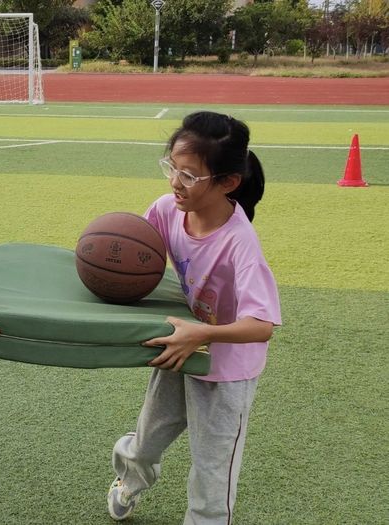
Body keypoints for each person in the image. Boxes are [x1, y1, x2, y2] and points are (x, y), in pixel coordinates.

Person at [107, 111, 281, 524]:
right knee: (147, 441)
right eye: (172, 167)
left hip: (228, 370)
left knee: (212, 471)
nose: (174, 182)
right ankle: (129, 482)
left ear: (227, 182)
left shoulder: (241, 243)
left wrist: (201, 333)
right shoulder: (167, 210)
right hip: (183, 348)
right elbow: (136, 257)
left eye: (189, 175)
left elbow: (263, 326)